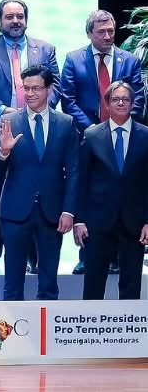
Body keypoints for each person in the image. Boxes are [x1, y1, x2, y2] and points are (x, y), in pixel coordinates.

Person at [0, 0, 59, 276]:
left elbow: (56, 84)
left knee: (33, 190)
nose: (15, 21)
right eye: (9, 17)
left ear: (26, 19)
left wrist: (39, 109)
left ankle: (34, 258)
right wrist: (3, 111)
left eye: (20, 16)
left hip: (37, 127)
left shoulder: (45, 49)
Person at [58, 9, 145, 275]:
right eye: (101, 32)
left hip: (122, 138)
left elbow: (137, 98)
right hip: (89, 140)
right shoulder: (74, 59)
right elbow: (68, 100)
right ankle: (87, 255)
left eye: (111, 31)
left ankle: (118, 256)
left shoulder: (129, 60)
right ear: (89, 33)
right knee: (89, 190)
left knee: (122, 190)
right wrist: (94, 131)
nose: (108, 36)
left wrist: (118, 126)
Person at [0, 66, 79, 301]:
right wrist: (3, 152)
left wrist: (69, 211)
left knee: (48, 284)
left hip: (52, 212)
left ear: (49, 89)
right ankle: (13, 326)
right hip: (14, 211)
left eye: (36, 88)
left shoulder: (66, 123)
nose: (30, 93)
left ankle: (45, 325)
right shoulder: (8, 121)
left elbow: (74, 172)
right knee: (12, 283)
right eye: (26, 88)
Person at [73, 82, 148, 300]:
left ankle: (128, 324)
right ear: (107, 104)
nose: (121, 103)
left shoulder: (146, 136)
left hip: (134, 223)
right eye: (116, 99)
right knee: (93, 286)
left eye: (125, 99)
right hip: (97, 223)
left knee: (131, 288)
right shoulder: (92, 135)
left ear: (132, 104)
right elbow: (81, 181)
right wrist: (79, 220)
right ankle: (90, 323)